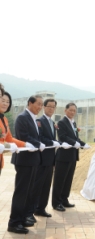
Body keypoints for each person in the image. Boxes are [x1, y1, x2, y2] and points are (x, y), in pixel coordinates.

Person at [8, 95, 44, 234]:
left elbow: (36, 136)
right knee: (21, 192)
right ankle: (14, 223)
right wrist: (37, 143)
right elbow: (23, 136)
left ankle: (22, 218)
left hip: (33, 160)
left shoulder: (34, 119)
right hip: (24, 161)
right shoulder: (22, 117)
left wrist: (40, 142)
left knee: (28, 192)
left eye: (41, 104)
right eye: (38, 104)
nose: (40, 107)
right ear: (30, 103)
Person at [52, 102, 89, 211]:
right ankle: (56, 202)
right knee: (60, 180)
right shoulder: (61, 123)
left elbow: (75, 138)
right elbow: (63, 137)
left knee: (68, 179)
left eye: (74, 111)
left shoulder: (73, 123)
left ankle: (64, 199)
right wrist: (75, 143)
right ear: (65, 110)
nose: (72, 112)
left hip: (72, 155)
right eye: (70, 110)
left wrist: (83, 144)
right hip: (63, 156)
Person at [32, 98, 60, 218]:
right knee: (37, 186)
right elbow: (40, 138)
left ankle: (41, 208)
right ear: (44, 107)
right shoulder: (40, 121)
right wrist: (53, 142)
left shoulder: (52, 123)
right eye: (49, 106)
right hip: (42, 160)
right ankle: (32, 210)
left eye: (53, 107)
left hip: (50, 160)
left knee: (46, 186)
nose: (51, 109)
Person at [0, 90, 26, 173]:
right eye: (3, 101)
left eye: (8, 102)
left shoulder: (5, 119)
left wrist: (25, 144)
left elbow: (9, 138)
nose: (5, 104)